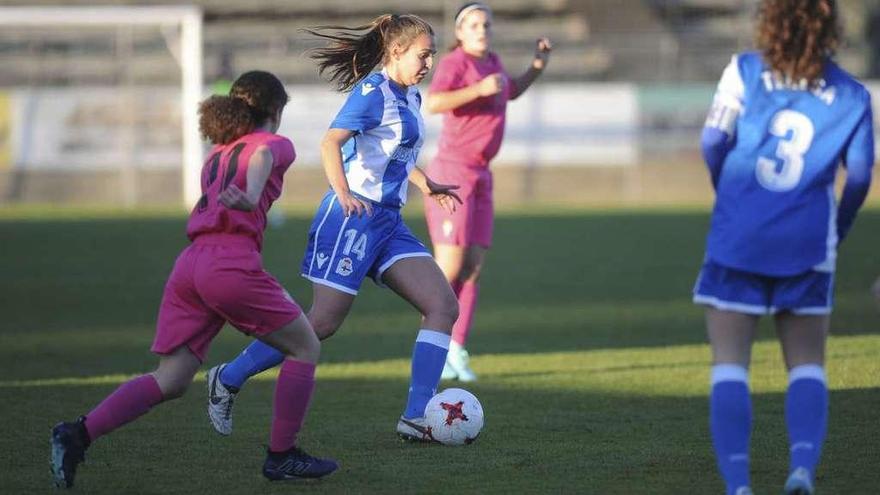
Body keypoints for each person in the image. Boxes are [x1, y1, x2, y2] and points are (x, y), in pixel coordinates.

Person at [49, 71, 338, 489]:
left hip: (191, 265)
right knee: (305, 344)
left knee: (172, 378)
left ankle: (78, 433)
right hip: (229, 264)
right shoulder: (274, 143)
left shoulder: (216, 154)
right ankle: (282, 456)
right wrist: (254, 195)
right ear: (274, 112)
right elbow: (262, 159)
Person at [204, 14, 463, 442]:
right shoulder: (372, 92)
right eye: (424, 54)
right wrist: (342, 192)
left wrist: (426, 183)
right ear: (396, 51)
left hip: (388, 223)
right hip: (352, 220)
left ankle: (417, 415)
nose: (429, 62)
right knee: (321, 323)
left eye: (431, 54)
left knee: (442, 306)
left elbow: (393, 153)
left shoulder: (411, 95)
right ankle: (227, 378)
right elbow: (331, 142)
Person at [693, 1, 873, 494]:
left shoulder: (744, 70)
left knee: (730, 363)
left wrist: (728, 189)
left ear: (769, 22)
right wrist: (841, 224)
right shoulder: (854, 95)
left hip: (738, 236)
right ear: (829, 28)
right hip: (809, 241)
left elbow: (712, 140)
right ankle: (800, 471)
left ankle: (738, 485)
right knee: (808, 364)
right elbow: (858, 176)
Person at [424, 2, 551, 382]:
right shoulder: (455, 63)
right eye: (474, 24)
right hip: (453, 172)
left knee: (474, 268)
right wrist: (476, 89)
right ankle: (433, 346)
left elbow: (508, 91)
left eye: (486, 24)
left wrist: (537, 67)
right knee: (448, 269)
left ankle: (456, 349)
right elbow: (433, 102)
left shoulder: (493, 61)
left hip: (482, 174)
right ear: (460, 32)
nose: (482, 30)